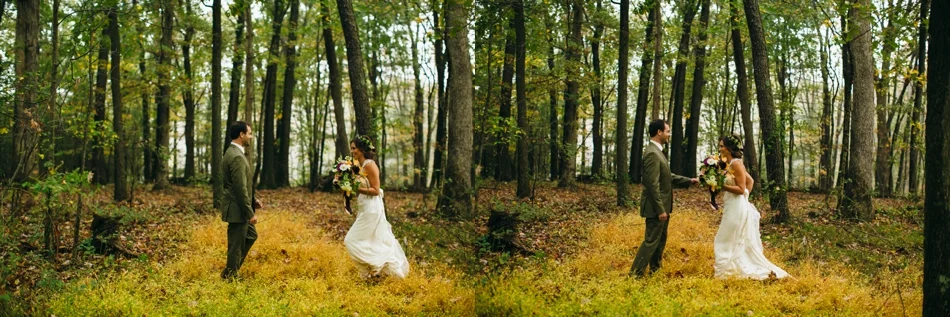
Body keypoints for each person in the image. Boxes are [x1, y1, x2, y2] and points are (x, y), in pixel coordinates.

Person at [713, 135, 789, 280]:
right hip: (732, 205)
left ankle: (727, 271)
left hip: (736, 207)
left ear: (729, 149)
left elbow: (742, 188)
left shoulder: (736, 164)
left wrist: (722, 186)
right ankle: (730, 269)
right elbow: (750, 181)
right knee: (729, 238)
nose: (720, 148)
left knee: (723, 238)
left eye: (722, 146)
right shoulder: (729, 164)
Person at [630, 119, 699, 277]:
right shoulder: (652, 154)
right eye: (667, 131)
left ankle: (655, 271)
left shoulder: (658, 152)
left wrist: (689, 181)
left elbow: (668, 176)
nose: (669, 134)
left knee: (660, 241)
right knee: (651, 241)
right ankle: (635, 275)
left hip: (663, 207)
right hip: (656, 208)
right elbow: (652, 184)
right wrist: (660, 210)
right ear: (659, 132)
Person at [343, 135, 410, 279]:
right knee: (370, 240)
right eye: (351, 148)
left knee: (350, 240)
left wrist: (355, 188)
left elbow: (375, 190)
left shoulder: (369, 165)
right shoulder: (359, 166)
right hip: (365, 208)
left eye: (354, 148)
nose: (352, 151)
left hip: (372, 209)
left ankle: (374, 267)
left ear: (361, 149)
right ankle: (372, 273)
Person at [220, 121, 263, 280]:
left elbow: (241, 184)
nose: (251, 137)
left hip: (239, 206)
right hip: (238, 209)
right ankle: (230, 276)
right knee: (235, 246)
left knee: (250, 236)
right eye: (249, 133)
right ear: (241, 135)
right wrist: (249, 212)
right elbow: (239, 188)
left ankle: (231, 270)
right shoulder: (236, 156)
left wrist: (254, 200)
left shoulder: (233, 152)